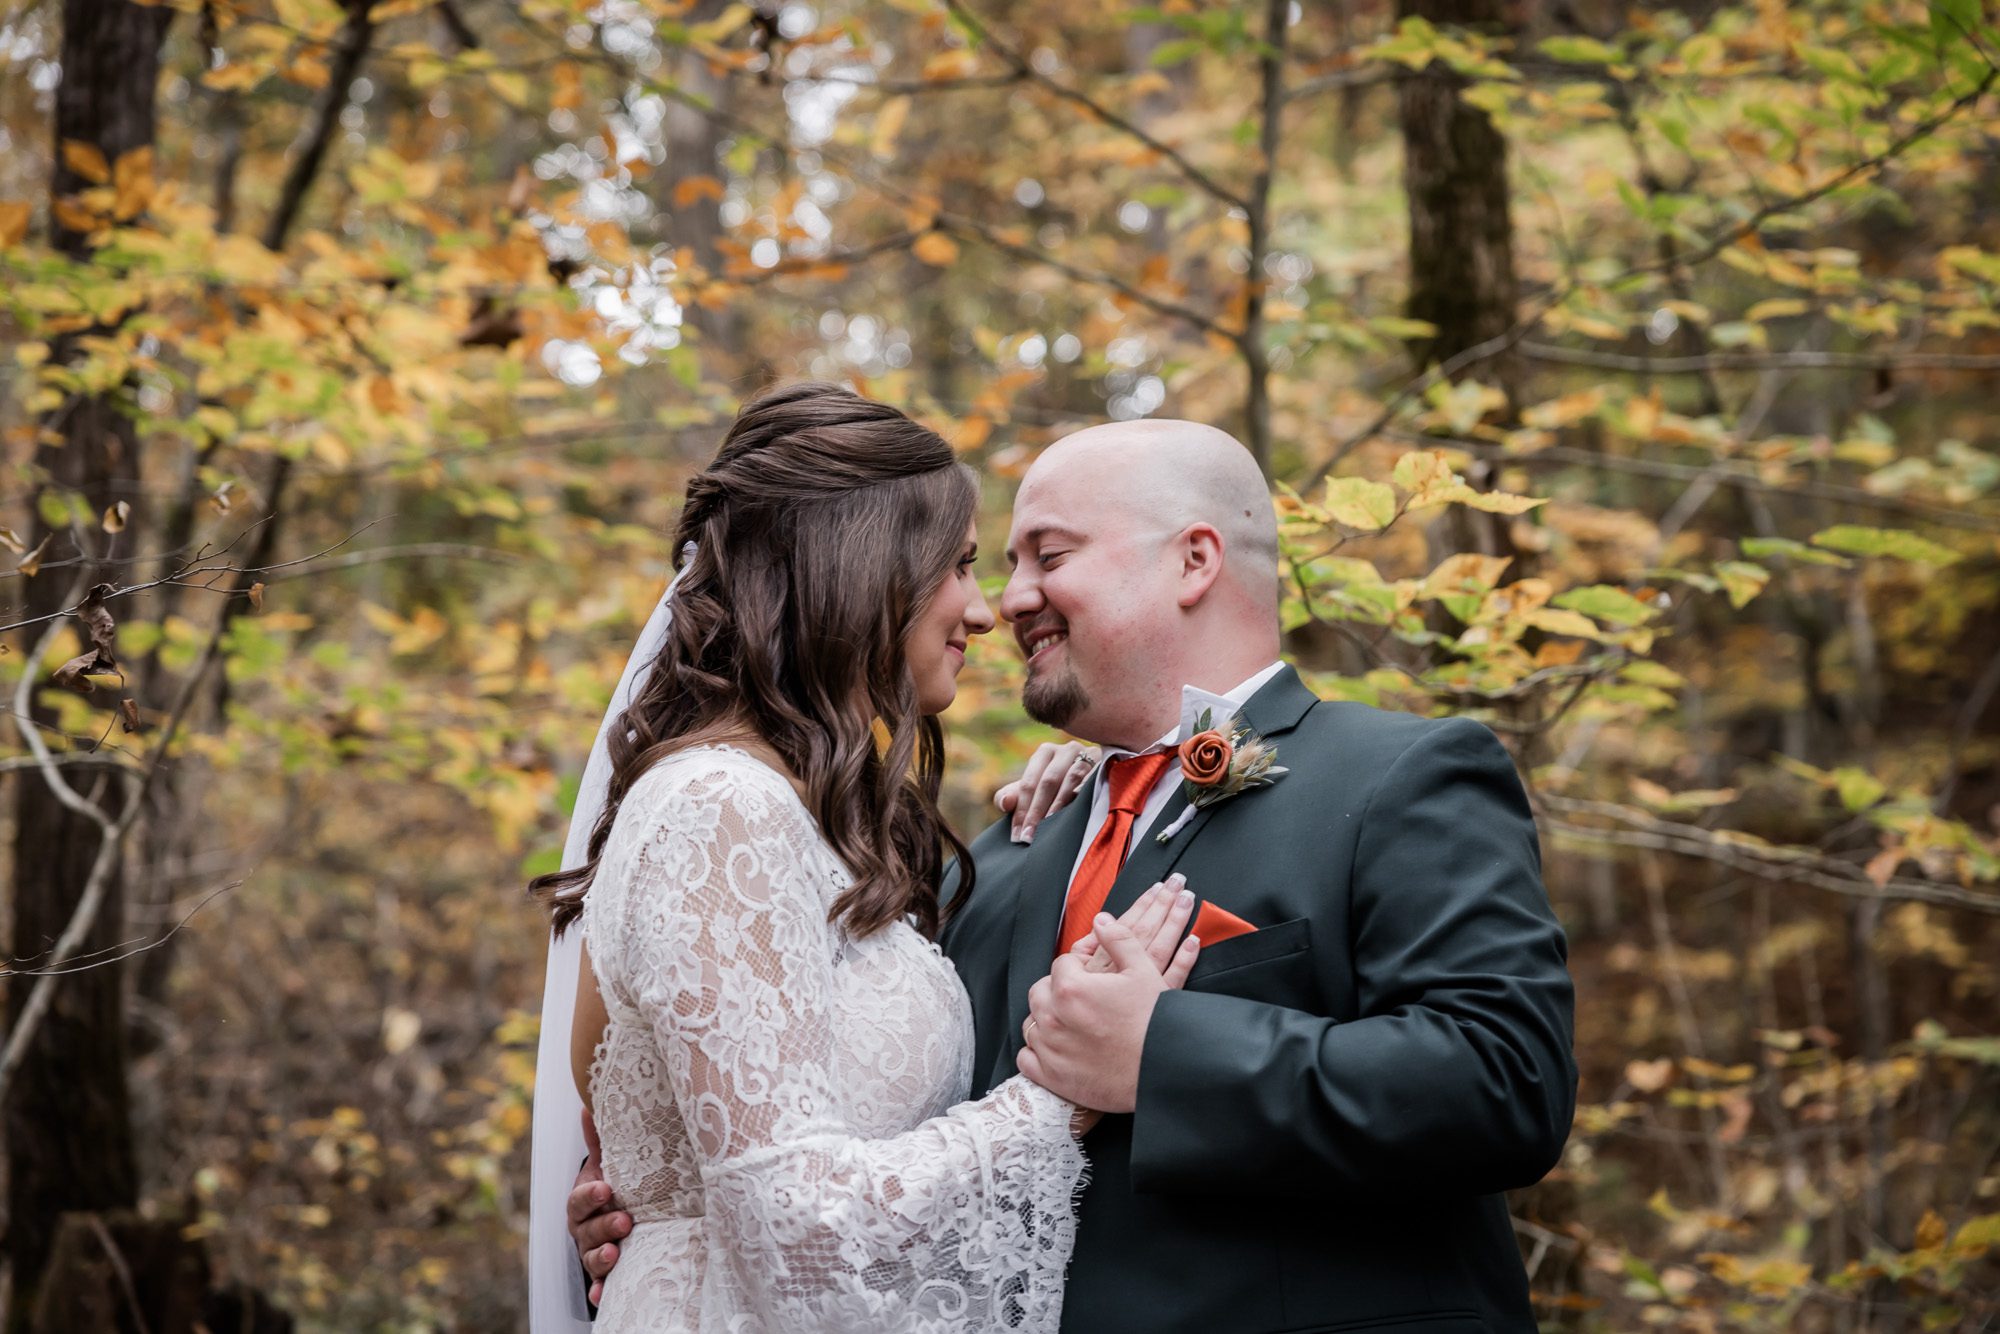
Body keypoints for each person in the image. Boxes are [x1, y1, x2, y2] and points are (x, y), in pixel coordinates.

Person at [572, 414, 1578, 1333]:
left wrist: (1165, 1050)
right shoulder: (995, 855)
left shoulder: (1397, 777)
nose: (1005, 601)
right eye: (993, 563)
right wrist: (666, 1192)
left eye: (1047, 555)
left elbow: (1505, 1078)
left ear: (1193, 559)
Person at [526, 383, 1201, 1334]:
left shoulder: (803, 828)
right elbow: (791, 1230)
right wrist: (1054, 1100)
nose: (981, 612)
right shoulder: (717, 809)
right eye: (958, 565)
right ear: (861, 567)